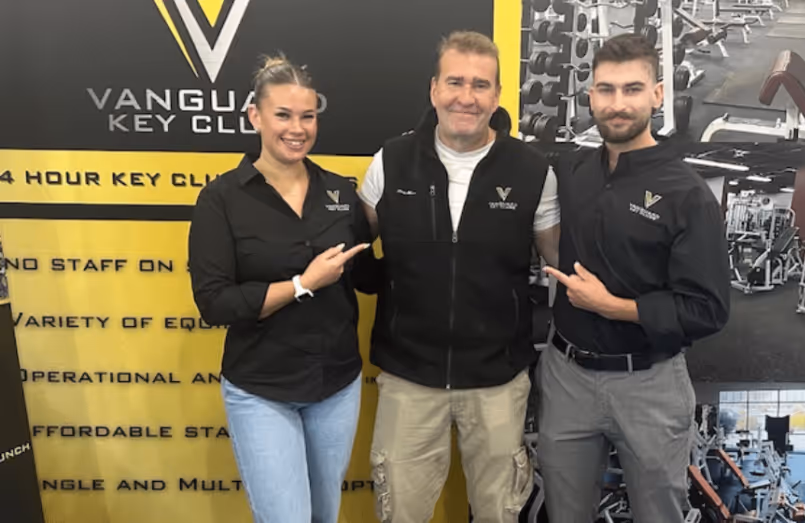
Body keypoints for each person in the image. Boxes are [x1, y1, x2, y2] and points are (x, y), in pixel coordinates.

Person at [359, 31, 560, 523]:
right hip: (409, 378)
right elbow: (356, 251)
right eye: (454, 82)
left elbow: (557, 272)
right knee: (399, 514)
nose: (465, 97)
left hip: (497, 381)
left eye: (480, 85)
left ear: (495, 96)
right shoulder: (391, 161)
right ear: (433, 89)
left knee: (498, 513)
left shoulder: (533, 171)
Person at [538, 33, 731, 522]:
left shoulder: (687, 195)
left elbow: (708, 310)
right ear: (590, 97)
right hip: (567, 377)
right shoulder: (574, 169)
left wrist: (612, 306)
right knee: (564, 514)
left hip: (649, 381)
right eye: (605, 90)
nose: (617, 104)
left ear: (658, 94)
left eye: (632, 89)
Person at [187, 54, 376, 523]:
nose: (298, 128)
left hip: (335, 385)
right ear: (255, 116)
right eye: (284, 115)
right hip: (261, 390)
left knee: (324, 515)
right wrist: (301, 285)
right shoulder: (222, 198)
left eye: (308, 116)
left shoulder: (338, 191)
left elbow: (368, 277)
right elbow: (214, 303)